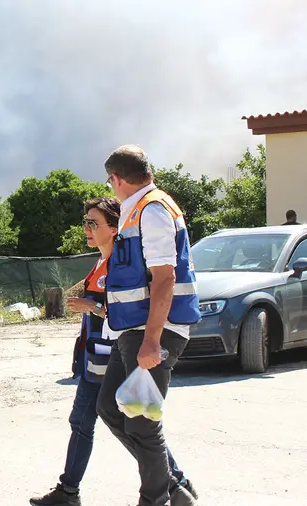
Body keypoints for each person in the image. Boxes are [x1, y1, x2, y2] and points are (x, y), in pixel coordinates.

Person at [30, 197, 197, 506]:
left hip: (113, 358)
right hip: (93, 360)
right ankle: (69, 490)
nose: (86, 230)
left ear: (114, 226)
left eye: (93, 223)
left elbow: (129, 312)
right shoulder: (99, 264)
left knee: (139, 426)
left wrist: (92, 306)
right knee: (86, 423)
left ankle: (175, 483)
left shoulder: (122, 264)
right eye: (85, 223)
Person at [95, 145, 201, 506]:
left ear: (117, 179)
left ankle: (157, 497)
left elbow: (164, 278)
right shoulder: (135, 209)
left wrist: (152, 341)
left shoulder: (152, 209)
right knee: (110, 408)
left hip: (153, 331)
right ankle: (171, 487)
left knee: (140, 421)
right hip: (132, 330)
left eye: (110, 182)